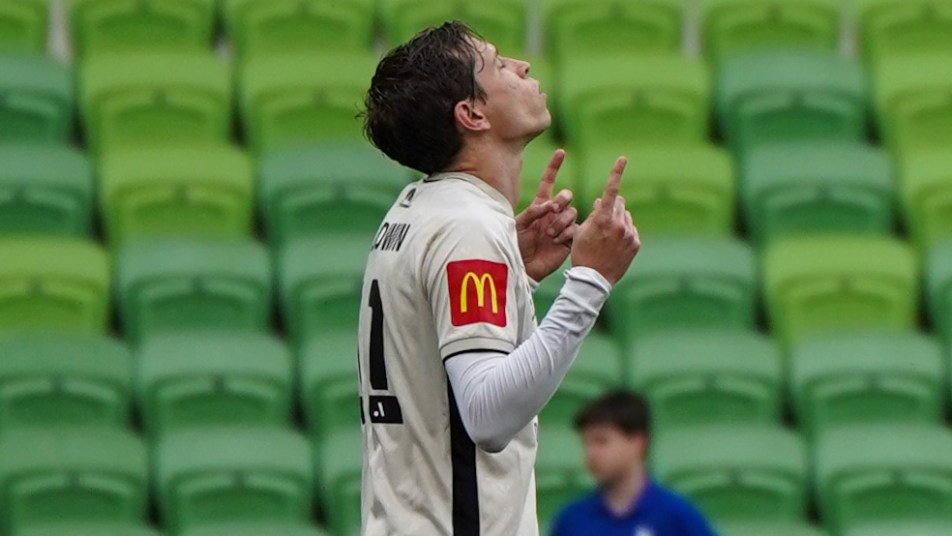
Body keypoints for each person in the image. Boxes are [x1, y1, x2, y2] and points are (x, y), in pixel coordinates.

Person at [357, 20, 640, 536]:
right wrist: (589, 281)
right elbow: (486, 416)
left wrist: (518, 279)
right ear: (472, 114)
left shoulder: (413, 210)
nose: (522, 66)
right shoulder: (467, 226)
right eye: (498, 65)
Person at [551, 391, 716, 536]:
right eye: (586, 443)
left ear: (638, 443)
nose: (591, 453)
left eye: (601, 441)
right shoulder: (571, 521)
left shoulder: (676, 517)